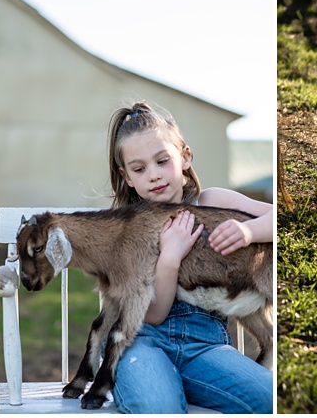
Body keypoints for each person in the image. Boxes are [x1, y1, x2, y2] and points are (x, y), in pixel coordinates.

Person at [104, 101, 273, 413]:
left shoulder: (212, 202)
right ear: (127, 177)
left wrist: (249, 232)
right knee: (159, 407)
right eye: (140, 169)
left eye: (162, 161)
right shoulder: (127, 230)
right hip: (142, 344)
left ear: (184, 156)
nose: (154, 175)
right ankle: (159, 383)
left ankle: (182, 383)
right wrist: (170, 257)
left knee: (268, 397)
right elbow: (152, 315)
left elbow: (280, 218)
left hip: (205, 347)